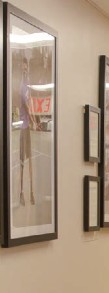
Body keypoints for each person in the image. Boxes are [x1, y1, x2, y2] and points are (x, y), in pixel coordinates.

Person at [18, 57, 37, 206]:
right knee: (24, 162)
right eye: (24, 68)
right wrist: (34, 121)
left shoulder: (27, 86)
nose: (26, 70)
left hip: (26, 128)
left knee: (29, 161)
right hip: (24, 129)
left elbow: (29, 103)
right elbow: (26, 106)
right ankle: (23, 193)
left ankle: (30, 193)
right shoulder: (23, 86)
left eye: (27, 68)